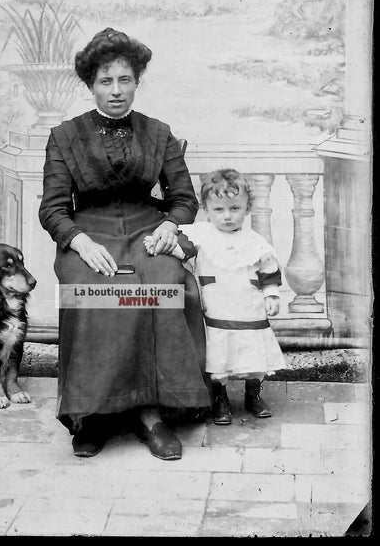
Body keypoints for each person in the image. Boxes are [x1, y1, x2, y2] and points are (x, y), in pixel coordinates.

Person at [38, 27, 209, 461]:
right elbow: (53, 209)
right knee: (92, 286)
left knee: (163, 278)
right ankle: (91, 415)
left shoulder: (158, 133)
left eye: (125, 80)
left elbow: (184, 198)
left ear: (137, 81)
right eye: (106, 81)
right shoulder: (64, 136)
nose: (116, 91)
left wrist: (170, 227)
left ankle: (151, 412)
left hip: (145, 229)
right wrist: (78, 241)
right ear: (91, 85)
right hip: (89, 233)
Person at [147, 168, 286, 425]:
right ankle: (220, 397)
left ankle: (253, 393)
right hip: (217, 308)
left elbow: (268, 270)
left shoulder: (254, 240)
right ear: (206, 209)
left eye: (235, 209)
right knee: (219, 355)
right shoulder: (201, 235)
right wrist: (163, 245)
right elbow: (182, 250)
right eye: (219, 210)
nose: (227, 216)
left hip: (249, 307)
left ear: (247, 208)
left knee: (253, 352)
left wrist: (272, 295)